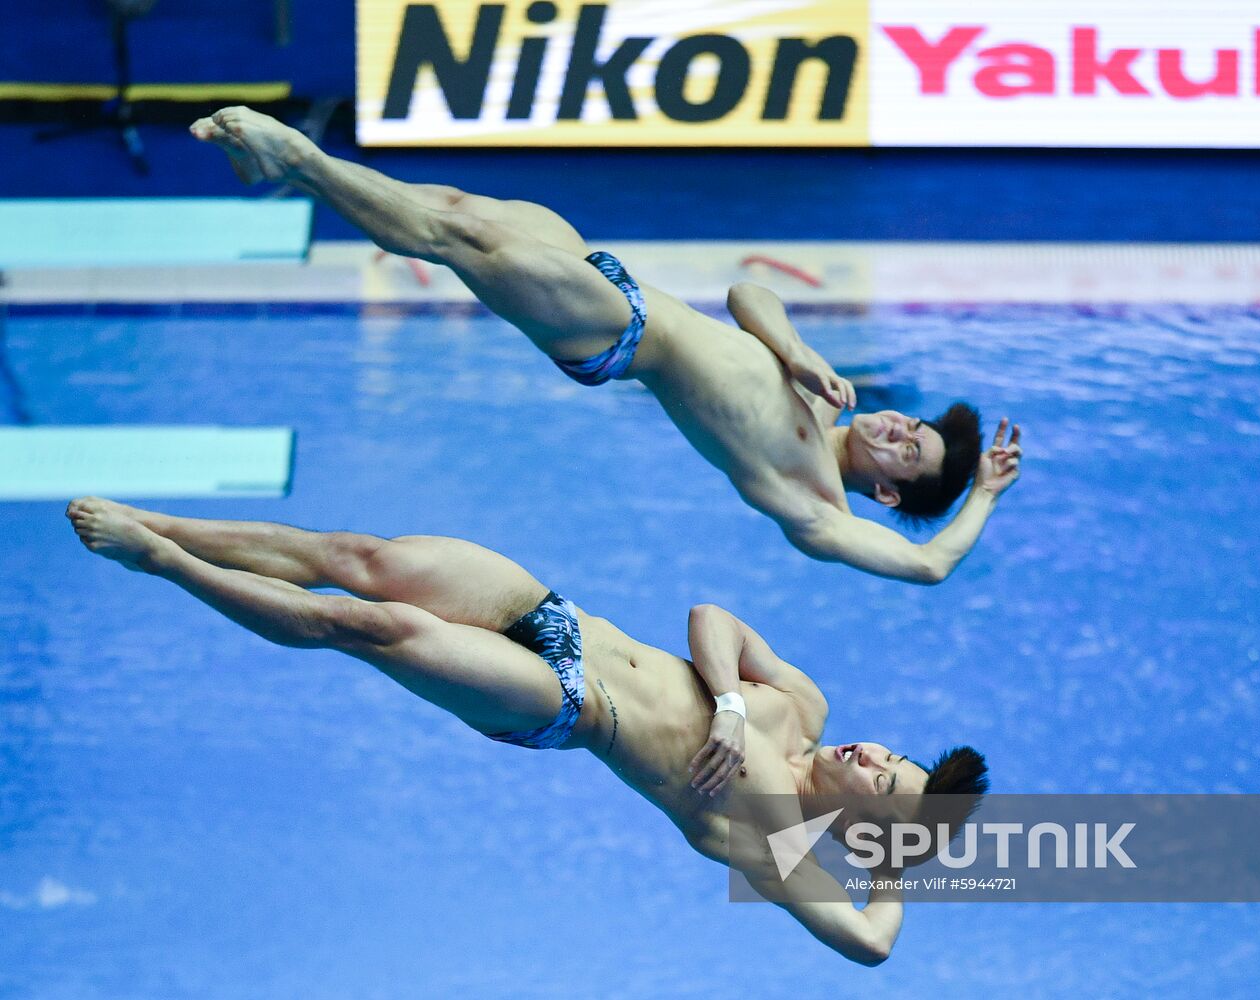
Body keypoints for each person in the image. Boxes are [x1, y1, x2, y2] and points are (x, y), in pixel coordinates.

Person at [66, 497, 988, 964]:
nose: (872, 753)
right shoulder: (803, 705)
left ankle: (163, 561)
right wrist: (733, 700)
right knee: (356, 559)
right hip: (555, 616)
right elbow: (714, 615)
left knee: (364, 625)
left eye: (884, 779)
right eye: (893, 752)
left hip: (556, 701)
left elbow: (870, 948)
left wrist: (895, 874)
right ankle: (157, 517)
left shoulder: (777, 848)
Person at [190, 107, 1023, 584]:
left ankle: (294, 155)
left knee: (453, 236)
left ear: (885, 493)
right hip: (606, 269)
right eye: (909, 426)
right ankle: (290, 172)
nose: (895, 431)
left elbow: (928, 569)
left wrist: (980, 493)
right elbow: (747, 293)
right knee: (445, 206)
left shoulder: (812, 501)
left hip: (613, 332)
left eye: (905, 455)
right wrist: (794, 349)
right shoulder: (817, 390)